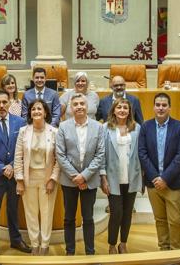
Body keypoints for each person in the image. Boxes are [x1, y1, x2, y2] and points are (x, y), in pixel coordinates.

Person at [0, 89, 31, 255]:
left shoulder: (20, 122)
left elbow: (23, 148)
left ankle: (16, 240)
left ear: (10, 103)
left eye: (4, 102)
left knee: (13, 210)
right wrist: (2, 168)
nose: (1, 106)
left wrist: (11, 166)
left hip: (14, 174)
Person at [55, 93, 105, 256]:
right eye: (75, 104)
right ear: (70, 108)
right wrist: (76, 177)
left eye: (82, 103)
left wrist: (84, 176)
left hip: (89, 181)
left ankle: (90, 252)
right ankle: (70, 252)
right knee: (69, 218)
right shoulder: (63, 127)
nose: (79, 107)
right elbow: (60, 155)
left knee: (88, 218)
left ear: (88, 106)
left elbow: (100, 155)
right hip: (69, 181)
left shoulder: (98, 127)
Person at [138, 93, 180, 250]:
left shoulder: (179, 127)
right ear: (153, 107)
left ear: (169, 108)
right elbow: (142, 154)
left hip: (173, 183)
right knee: (160, 219)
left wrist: (165, 178)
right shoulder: (146, 126)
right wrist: (155, 178)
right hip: (153, 184)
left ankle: (177, 254)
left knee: (175, 221)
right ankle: (164, 251)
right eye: (158, 105)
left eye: (164, 105)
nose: (160, 108)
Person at [14, 99, 60, 256]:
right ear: (30, 113)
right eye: (33, 109)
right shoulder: (23, 132)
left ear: (45, 112)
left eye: (39, 109)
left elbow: (59, 160)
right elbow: (18, 157)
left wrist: (53, 179)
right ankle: (34, 244)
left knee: (47, 212)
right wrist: (19, 180)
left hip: (47, 179)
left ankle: (45, 244)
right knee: (31, 212)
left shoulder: (54, 132)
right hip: (29, 178)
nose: (36, 112)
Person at [100, 98, 142, 254]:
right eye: (119, 107)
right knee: (116, 212)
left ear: (130, 111)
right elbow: (101, 154)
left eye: (125, 107)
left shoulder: (136, 128)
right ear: (114, 110)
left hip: (132, 176)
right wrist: (103, 177)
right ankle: (112, 244)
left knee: (127, 212)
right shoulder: (105, 128)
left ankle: (123, 243)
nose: (122, 110)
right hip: (112, 178)